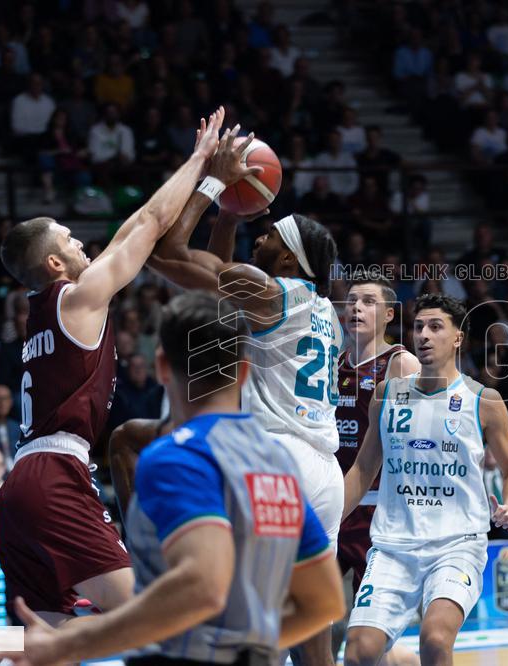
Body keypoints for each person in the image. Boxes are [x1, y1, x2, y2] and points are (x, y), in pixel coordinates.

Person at [0, 292, 345, 666]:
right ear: (245, 371)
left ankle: (7, 650)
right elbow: (325, 602)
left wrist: (76, 644)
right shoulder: (276, 465)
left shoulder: (176, 457)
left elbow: (202, 587)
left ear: (162, 367)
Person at [0, 107, 231, 626]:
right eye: (68, 239)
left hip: (19, 487)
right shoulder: (77, 300)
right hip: (55, 478)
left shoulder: (41, 314)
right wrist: (199, 161)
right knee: (152, 619)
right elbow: (145, 224)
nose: (80, 241)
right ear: (55, 263)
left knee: (48, 637)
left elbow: (128, 233)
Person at [145, 126, 344, 666]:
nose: (261, 239)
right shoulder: (321, 310)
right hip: (322, 473)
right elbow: (214, 284)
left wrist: (213, 184)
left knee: (243, 626)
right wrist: (232, 215)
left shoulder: (271, 293)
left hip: (277, 461)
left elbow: (167, 255)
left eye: (271, 236)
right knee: (311, 638)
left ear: (289, 260)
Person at [342, 294, 508, 666]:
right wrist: (326, 522)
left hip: (457, 544)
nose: (423, 335)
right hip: (394, 545)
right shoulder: (387, 393)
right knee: (359, 651)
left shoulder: (483, 400)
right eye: (418, 326)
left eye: (436, 327)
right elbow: (364, 468)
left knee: (436, 639)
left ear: (458, 338)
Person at [335, 275, 421, 666]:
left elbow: (417, 443)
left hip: (379, 513)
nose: (355, 307)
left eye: (367, 301)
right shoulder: (333, 362)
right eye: (351, 300)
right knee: (317, 619)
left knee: (366, 641)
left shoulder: (401, 363)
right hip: (336, 505)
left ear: (388, 314)